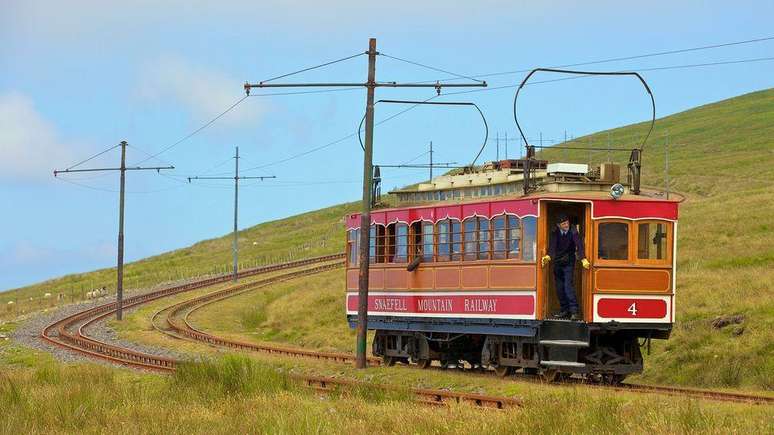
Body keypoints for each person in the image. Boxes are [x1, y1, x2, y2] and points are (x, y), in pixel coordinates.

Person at [541, 214, 590, 320]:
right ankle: (564, 310)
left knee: (568, 286)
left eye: (567, 223)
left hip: (569, 262)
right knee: (559, 288)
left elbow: (579, 245)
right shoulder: (555, 232)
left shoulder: (573, 231)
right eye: (564, 224)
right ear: (559, 225)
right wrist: (548, 256)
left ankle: (574, 311)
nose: (566, 225)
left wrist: (583, 258)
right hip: (557, 262)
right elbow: (552, 246)